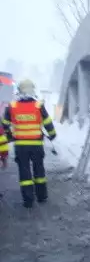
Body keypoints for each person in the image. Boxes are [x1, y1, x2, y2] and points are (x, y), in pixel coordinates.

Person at [1, 79, 57, 208]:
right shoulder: (38, 105)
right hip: (36, 144)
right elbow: (47, 121)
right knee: (39, 170)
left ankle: (28, 200)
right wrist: (52, 134)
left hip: (21, 146)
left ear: (19, 91)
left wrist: (10, 135)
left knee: (24, 172)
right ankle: (42, 196)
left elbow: (4, 125)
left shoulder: (12, 106)